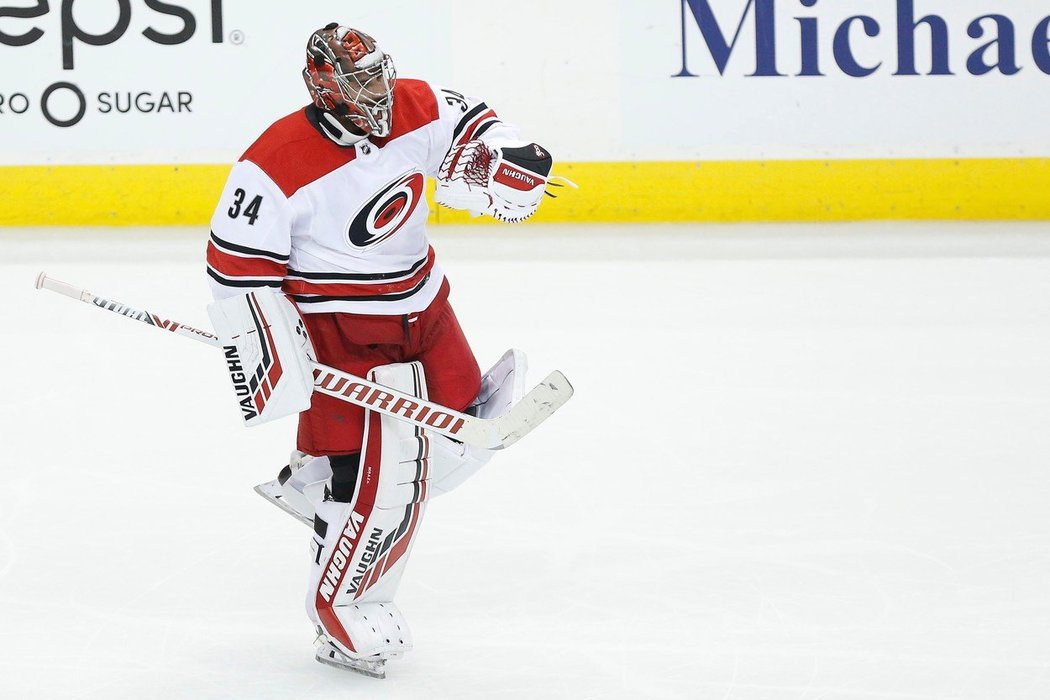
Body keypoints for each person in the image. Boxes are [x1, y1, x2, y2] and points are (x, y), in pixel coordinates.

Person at [204, 24, 556, 678]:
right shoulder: (273, 161)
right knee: (377, 475)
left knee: (459, 434)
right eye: (359, 81)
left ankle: (311, 481)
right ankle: (341, 607)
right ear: (324, 87)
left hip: (425, 308)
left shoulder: (415, 104)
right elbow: (234, 270)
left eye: (378, 74)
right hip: (341, 331)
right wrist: (269, 354)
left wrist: (507, 155)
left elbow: (473, 122)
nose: (377, 90)